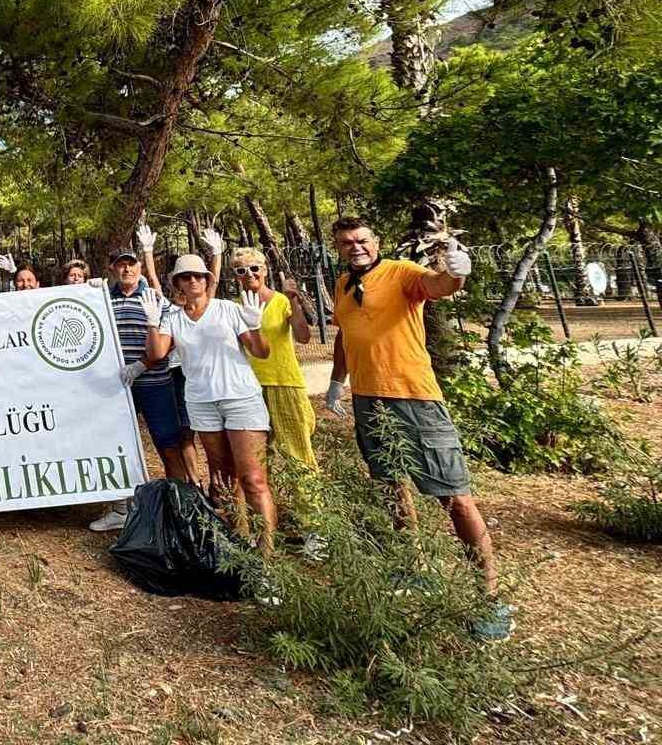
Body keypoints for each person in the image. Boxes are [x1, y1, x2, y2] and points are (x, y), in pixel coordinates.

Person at [322, 216, 509, 640]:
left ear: (376, 241)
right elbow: (346, 334)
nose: (355, 247)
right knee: (391, 484)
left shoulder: (402, 273)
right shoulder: (342, 284)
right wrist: (338, 380)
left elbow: (437, 286)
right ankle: (415, 566)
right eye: (346, 242)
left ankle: (490, 598)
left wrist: (454, 274)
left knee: (454, 496)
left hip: (414, 398)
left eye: (362, 240)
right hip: (369, 399)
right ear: (338, 247)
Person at [143, 252, 277, 554]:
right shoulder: (172, 318)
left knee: (253, 478)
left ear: (207, 280)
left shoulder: (227, 309)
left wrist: (255, 326)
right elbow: (155, 355)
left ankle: (268, 556)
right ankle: (237, 545)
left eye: (198, 276)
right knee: (223, 477)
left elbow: (261, 351)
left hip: (240, 398)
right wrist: (152, 323)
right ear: (177, 283)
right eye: (185, 277)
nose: (192, 281)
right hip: (202, 403)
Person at [90, 223, 200, 534]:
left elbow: (171, 339)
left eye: (131, 264)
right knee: (117, 446)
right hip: (115, 387)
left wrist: (143, 364)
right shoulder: (100, 298)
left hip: (155, 385)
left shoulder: (155, 298)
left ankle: (183, 508)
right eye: (120, 264)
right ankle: (122, 508)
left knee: (168, 444)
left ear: (139, 267)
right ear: (112, 269)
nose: (126, 269)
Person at [231, 248, 317, 470]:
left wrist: (294, 301)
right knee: (258, 456)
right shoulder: (233, 306)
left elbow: (303, 337)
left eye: (254, 268)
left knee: (297, 450)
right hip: (248, 387)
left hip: (283, 381)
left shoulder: (281, 301)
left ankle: (309, 503)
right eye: (241, 270)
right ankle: (268, 503)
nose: (249, 274)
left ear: (265, 270)